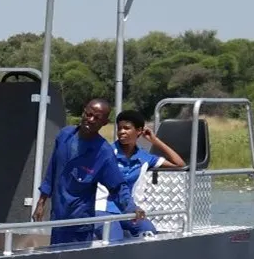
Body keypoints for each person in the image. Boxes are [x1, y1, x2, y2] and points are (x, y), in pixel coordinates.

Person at [34, 98, 145, 246]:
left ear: (104, 122)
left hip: (80, 222)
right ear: (83, 112)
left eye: (97, 118)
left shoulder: (104, 152)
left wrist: (132, 208)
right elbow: (52, 170)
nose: (90, 120)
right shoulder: (64, 135)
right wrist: (41, 203)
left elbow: (117, 187)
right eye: (88, 114)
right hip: (58, 217)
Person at [101, 109, 186, 238]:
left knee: (149, 232)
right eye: (119, 128)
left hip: (128, 211)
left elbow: (180, 164)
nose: (121, 132)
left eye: (127, 128)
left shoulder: (144, 157)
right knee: (115, 237)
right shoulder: (107, 152)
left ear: (139, 131)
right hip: (104, 209)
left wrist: (154, 140)